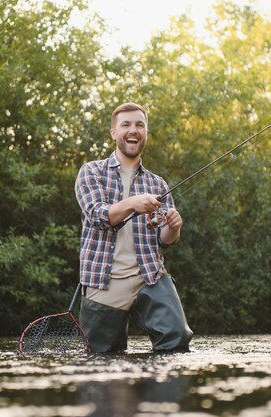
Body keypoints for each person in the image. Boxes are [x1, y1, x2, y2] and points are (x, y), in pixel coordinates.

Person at [74, 102, 193, 353]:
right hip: (102, 280)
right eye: (126, 124)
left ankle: (158, 393)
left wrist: (174, 227)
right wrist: (132, 203)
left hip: (148, 276)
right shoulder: (91, 172)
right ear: (114, 133)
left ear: (145, 133)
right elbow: (98, 216)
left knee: (177, 339)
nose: (133, 130)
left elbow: (165, 240)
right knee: (102, 360)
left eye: (140, 125)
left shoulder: (158, 184)